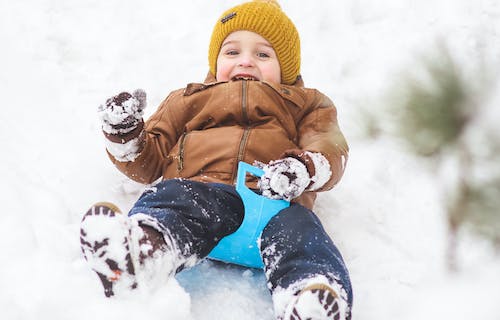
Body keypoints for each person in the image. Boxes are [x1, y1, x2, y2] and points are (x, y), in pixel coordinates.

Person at [80, 1, 352, 319]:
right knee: (175, 196)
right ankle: (145, 252)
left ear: (286, 69)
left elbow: (329, 147)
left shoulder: (306, 104)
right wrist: (125, 135)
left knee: (303, 231)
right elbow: (149, 162)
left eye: (263, 54)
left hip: (273, 206)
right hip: (203, 196)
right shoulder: (188, 100)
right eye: (232, 52)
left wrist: (304, 168)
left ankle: (309, 296)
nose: (246, 62)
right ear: (216, 59)